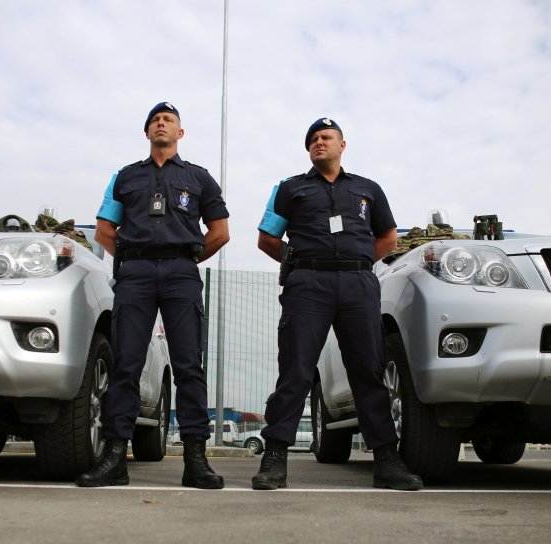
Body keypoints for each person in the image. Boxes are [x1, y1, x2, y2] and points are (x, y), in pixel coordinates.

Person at [253, 117, 423, 491]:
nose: (319, 142)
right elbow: (267, 238)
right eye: (312, 139)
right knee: (295, 372)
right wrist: (297, 263)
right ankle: (275, 457)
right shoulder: (289, 189)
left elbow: (389, 238)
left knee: (368, 370)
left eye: (326, 137)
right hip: (307, 284)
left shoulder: (368, 190)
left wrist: (356, 262)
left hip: (358, 285)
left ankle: (386, 460)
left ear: (342, 145)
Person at [75, 102, 230, 489]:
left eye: (169, 120)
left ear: (181, 133)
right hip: (136, 274)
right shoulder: (124, 178)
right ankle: (114, 457)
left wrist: (188, 255)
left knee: (188, 366)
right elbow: (104, 230)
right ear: (146, 134)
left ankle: (195, 459)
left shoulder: (200, 178)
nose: (161, 124)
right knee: (126, 365)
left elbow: (220, 231)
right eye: (155, 121)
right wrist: (133, 258)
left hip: (181, 273)